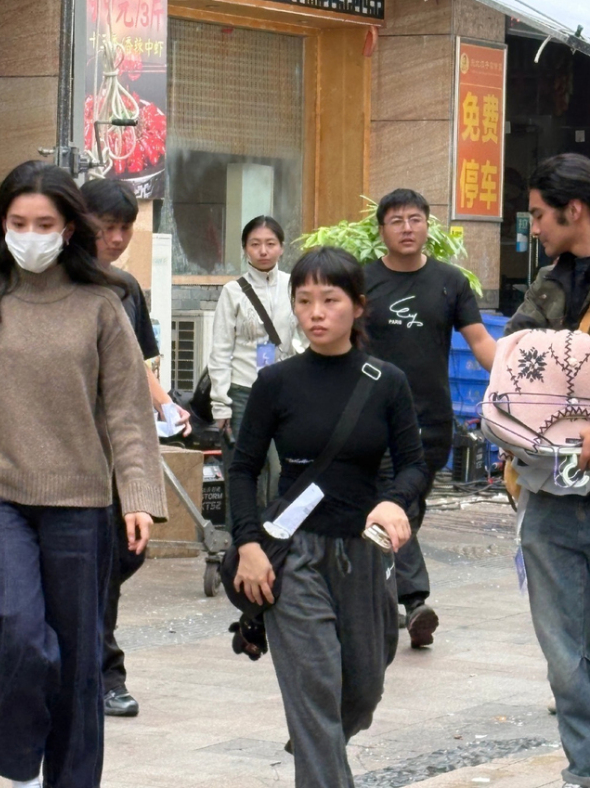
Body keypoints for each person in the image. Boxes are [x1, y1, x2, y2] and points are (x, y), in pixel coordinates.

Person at [0, 161, 167, 788]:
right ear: (0, 225)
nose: (30, 234)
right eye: (18, 223)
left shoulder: (101, 305)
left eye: (45, 223)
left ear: (69, 228)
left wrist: (140, 496)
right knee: (20, 635)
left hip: (81, 504)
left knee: (79, 668)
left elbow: (126, 410)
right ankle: (18, 762)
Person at [230, 246, 429, 788]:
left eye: (330, 299)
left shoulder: (386, 381)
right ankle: (318, 747)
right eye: (304, 300)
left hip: (362, 553)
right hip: (294, 555)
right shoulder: (276, 383)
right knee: (315, 686)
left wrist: (395, 500)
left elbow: (414, 464)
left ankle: (315, 736)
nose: (316, 312)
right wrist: (248, 544)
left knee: (363, 688)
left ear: (358, 306)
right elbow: (242, 469)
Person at [363, 188, 496, 647]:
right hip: (372, 415)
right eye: (396, 220)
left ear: (427, 227)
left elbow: (480, 341)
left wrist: (514, 380)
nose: (406, 228)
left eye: (415, 219)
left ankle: (384, 596)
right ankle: (415, 599)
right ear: (381, 229)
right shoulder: (362, 281)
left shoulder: (450, 282)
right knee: (392, 499)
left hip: (431, 420)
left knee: (408, 509)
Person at [82, 177, 189, 719]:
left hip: (118, 450)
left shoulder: (125, 289)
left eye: (126, 228)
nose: (118, 238)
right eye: (108, 228)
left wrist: (166, 404)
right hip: (66, 452)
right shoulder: (57, 288)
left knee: (122, 554)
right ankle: (102, 674)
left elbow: (139, 363)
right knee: (93, 566)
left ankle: (91, 664)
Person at [504, 153, 590, 788]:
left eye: (538, 213)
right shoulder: (550, 281)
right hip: (553, 494)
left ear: (574, 209)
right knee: (564, 654)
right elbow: (513, 357)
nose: (533, 226)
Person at [208, 215, 302, 519]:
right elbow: (221, 350)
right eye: (255, 244)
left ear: (282, 248)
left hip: (287, 391)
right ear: (245, 249)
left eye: (270, 243)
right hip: (242, 392)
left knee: (285, 469)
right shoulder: (233, 292)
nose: (263, 250)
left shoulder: (294, 286)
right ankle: (242, 546)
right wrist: (221, 404)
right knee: (244, 473)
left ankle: (278, 544)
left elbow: (306, 337)